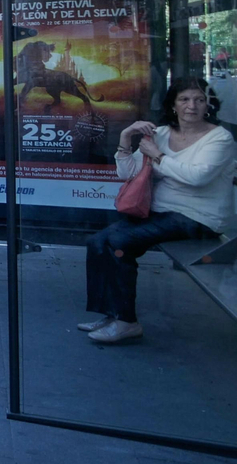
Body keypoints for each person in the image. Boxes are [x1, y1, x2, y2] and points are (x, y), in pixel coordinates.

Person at [81, 78, 237, 344]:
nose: (192, 106)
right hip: (161, 212)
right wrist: (125, 137)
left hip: (199, 217)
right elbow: (128, 173)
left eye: (200, 100)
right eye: (185, 100)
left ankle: (126, 322)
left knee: (120, 242)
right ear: (173, 105)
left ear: (209, 105)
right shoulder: (162, 133)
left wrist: (158, 156)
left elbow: (196, 177)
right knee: (97, 241)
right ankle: (111, 313)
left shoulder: (220, 138)